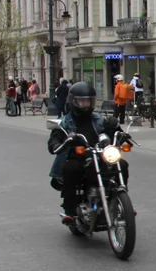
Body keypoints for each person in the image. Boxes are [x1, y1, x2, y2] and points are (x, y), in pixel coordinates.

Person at [48, 82, 129, 223]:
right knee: (71, 169)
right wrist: (59, 143)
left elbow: (116, 133)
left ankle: (120, 199)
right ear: (74, 101)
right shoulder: (64, 123)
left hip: (99, 155)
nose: (86, 105)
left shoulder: (99, 119)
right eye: (82, 101)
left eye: (88, 101)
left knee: (121, 164)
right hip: (77, 157)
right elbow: (54, 141)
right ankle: (70, 210)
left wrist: (118, 131)